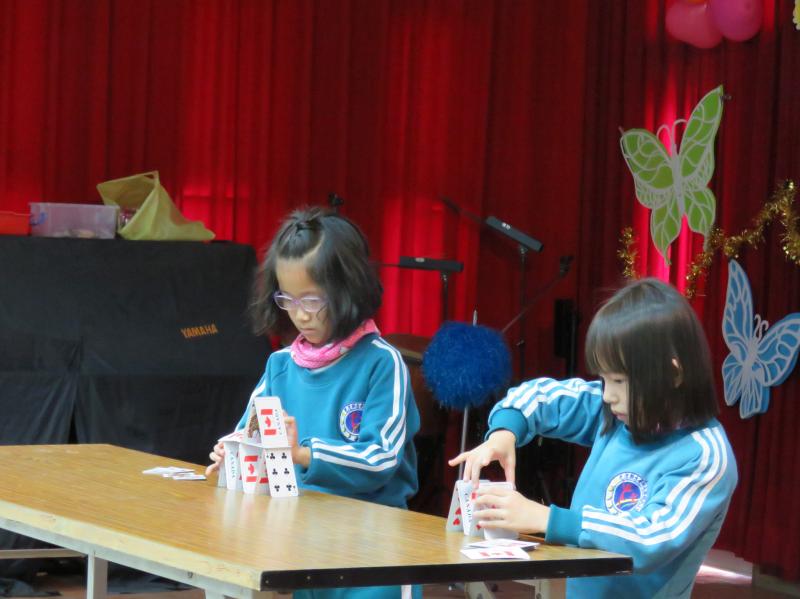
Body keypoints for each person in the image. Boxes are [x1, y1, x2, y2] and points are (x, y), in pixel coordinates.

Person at [449, 278, 738, 598]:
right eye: (603, 379)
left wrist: (548, 519)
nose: (608, 395)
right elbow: (540, 396)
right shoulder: (616, 412)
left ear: (672, 375)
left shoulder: (704, 455)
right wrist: (504, 432)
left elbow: (650, 539)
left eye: (619, 381)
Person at [206, 206, 420, 599]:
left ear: (348, 290)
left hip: (376, 551)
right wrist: (231, 454)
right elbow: (248, 433)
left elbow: (380, 459)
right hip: (303, 546)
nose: (300, 315)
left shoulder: (382, 363)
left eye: (312, 300)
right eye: (287, 299)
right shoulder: (280, 365)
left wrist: (303, 454)